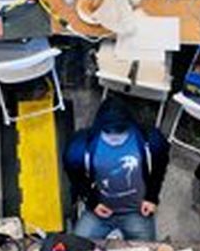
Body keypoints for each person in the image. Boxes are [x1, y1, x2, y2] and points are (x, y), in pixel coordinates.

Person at [63, 97, 169, 241]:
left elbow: (159, 167)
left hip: (136, 212)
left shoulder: (151, 141)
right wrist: (92, 202)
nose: (114, 137)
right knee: (76, 249)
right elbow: (75, 176)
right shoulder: (81, 148)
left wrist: (152, 197)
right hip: (99, 213)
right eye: (109, 132)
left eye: (120, 132)